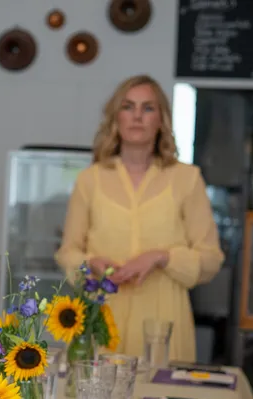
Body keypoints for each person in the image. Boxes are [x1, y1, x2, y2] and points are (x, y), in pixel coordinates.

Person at [55, 74, 225, 362]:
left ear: (161, 120)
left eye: (148, 108)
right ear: (115, 118)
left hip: (165, 318)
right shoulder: (90, 180)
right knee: (99, 398)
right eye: (128, 107)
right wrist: (91, 264)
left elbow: (211, 259)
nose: (137, 116)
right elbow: (68, 252)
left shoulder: (187, 179)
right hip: (105, 314)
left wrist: (162, 257)